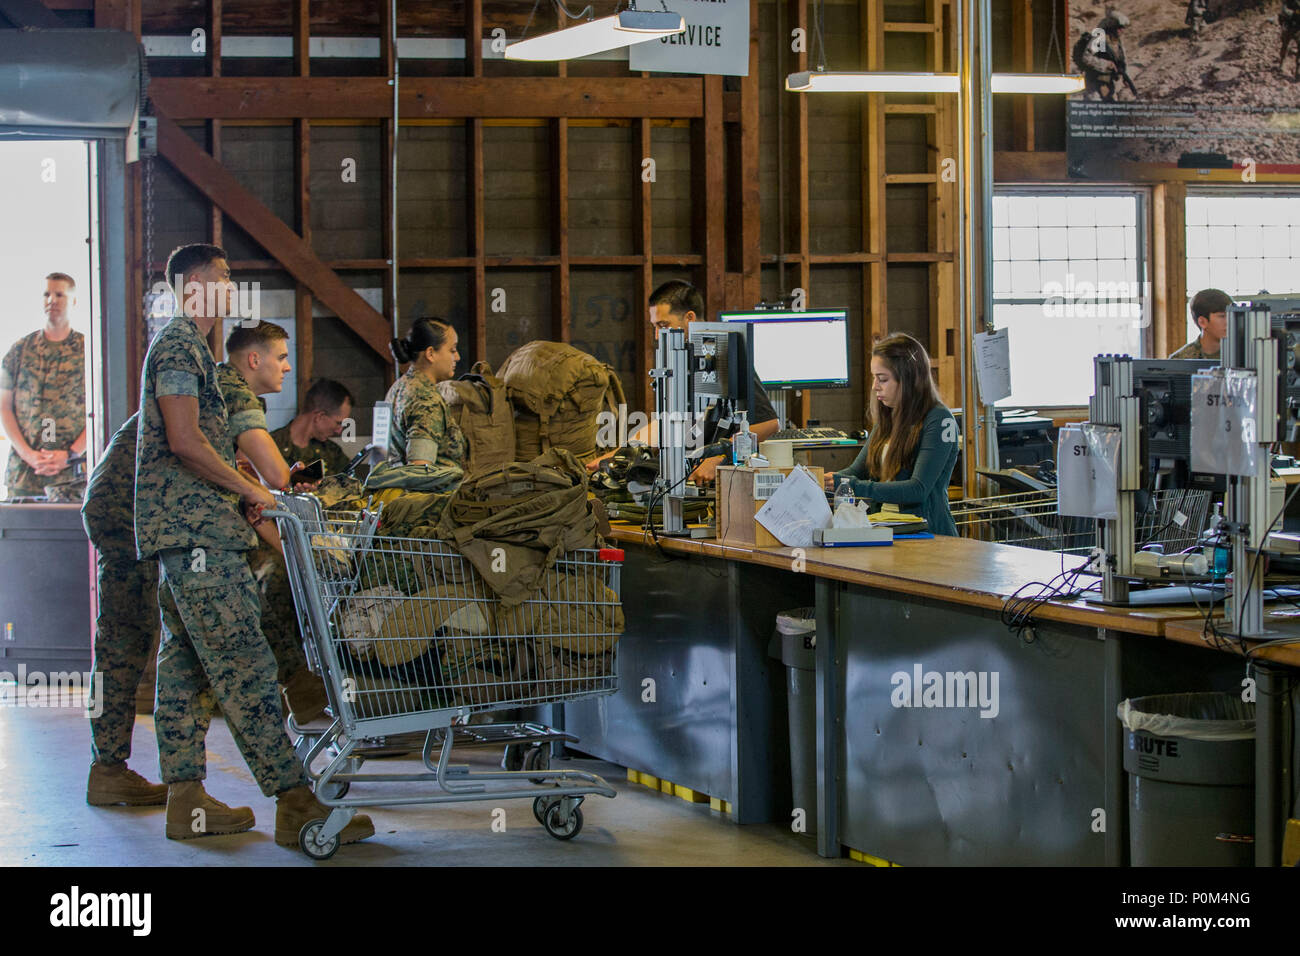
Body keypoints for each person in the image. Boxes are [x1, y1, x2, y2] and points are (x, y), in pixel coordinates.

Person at [136, 242, 371, 846]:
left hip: (190, 535)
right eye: (222, 275)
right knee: (247, 667)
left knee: (185, 668)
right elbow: (186, 441)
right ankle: (296, 805)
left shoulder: (199, 353)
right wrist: (252, 489)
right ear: (192, 284)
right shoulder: (180, 345)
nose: (230, 283)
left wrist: (247, 493)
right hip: (197, 536)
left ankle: (186, 802)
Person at [218, 321, 328, 725]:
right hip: (144, 518)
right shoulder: (231, 391)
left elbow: (255, 480)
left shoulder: (232, 393)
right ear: (253, 359)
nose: (286, 367)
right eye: (281, 357)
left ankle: (297, 686)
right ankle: (294, 688)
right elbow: (276, 479)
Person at [587, 280, 781, 482]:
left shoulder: (724, 358)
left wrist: (717, 459)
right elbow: (669, 422)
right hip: (688, 474)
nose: (657, 335)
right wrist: (621, 454)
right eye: (654, 327)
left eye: (663, 325)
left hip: (727, 480)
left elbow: (768, 424)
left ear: (689, 318)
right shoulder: (681, 362)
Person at [81, 411, 168, 808]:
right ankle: (109, 771)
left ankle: (107, 769)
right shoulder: (204, 395)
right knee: (120, 651)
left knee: (117, 649)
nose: (286, 368)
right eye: (280, 358)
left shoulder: (183, 391)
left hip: (122, 515)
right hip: (125, 522)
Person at [824, 332, 960, 536]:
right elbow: (856, 471)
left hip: (928, 535)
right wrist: (823, 481)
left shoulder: (940, 420)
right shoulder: (888, 418)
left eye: (883, 379)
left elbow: (918, 489)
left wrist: (851, 486)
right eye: (874, 378)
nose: (874, 386)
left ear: (908, 379)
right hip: (886, 532)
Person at [0, 272, 86, 497]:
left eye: (60, 294)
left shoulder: (89, 350)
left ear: (73, 301)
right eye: (46, 294)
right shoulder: (19, 350)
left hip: (73, 474)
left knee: (71, 532)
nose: (52, 300)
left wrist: (71, 454)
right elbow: (4, 407)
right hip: (25, 472)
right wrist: (27, 454)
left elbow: (102, 409)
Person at [385, 317, 468, 469]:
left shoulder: (399, 387)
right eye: (452, 350)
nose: (457, 357)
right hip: (429, 492)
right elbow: (421, 471)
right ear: (430, 353)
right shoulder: (425, 400)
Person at [271, 378, 354, 478]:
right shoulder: (270, 446)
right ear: (320, 416)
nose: (339, 430)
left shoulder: (333, 453)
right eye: (338, 423)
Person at [1170, 288, 1232, 360]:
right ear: (1202, 322)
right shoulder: (1180, 360)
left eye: (1231, 315)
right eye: (1222, 316)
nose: (1230, 321)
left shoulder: (1243, 355)